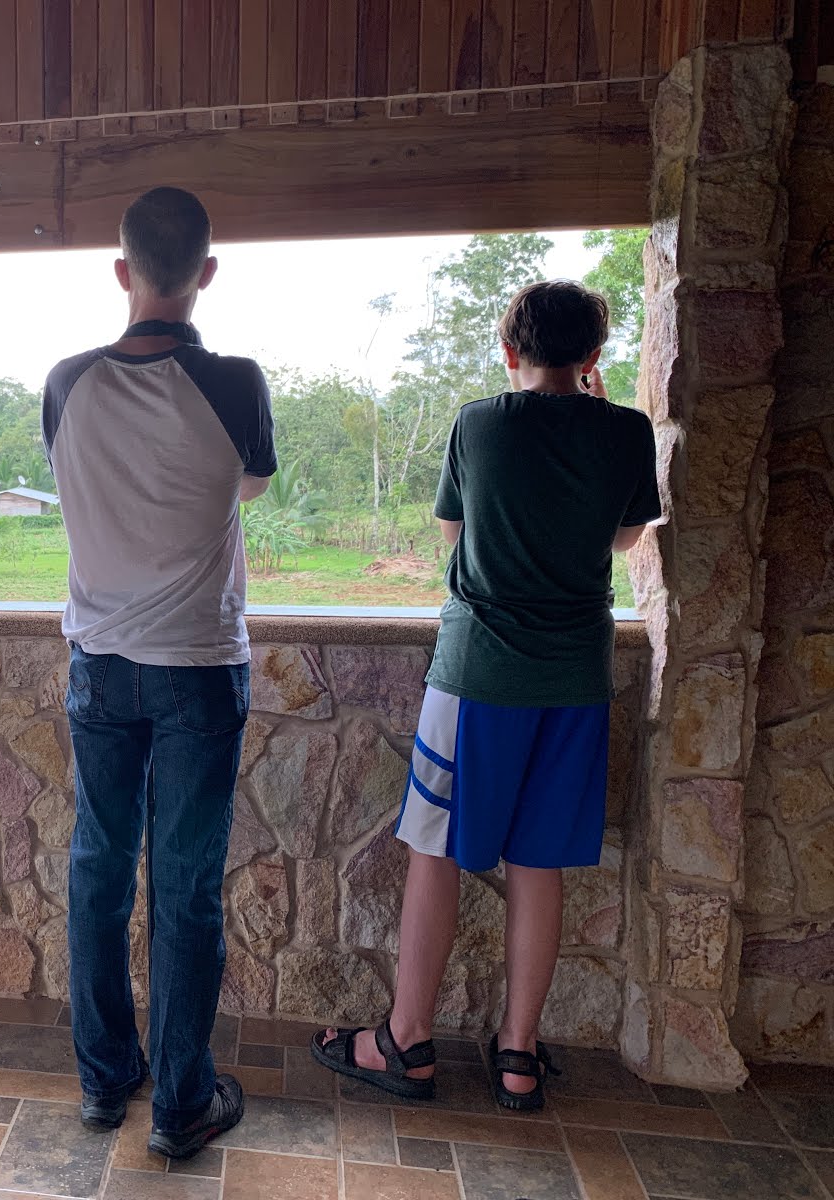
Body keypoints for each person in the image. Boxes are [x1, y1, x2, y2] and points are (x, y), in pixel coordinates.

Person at [311, 280, 661, 1111]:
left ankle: (407, 1041)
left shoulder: (479, 423)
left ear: (509, 351)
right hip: (575, 679)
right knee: (539, 863)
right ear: (593, 357)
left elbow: (453, 532)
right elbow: (623, 537)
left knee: (434, 850)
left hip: (477, 677)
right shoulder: (627, 430)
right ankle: (517, 1055)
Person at [44, 187, 276, 1159]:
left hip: (99, 665)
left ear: (121, 270)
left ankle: (105, 1082)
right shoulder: (236, 383)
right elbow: (246, 485)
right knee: (184, 888)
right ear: (206, 273)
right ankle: (181, 1105)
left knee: (98, 867)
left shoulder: (66, 383)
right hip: (196, 664)